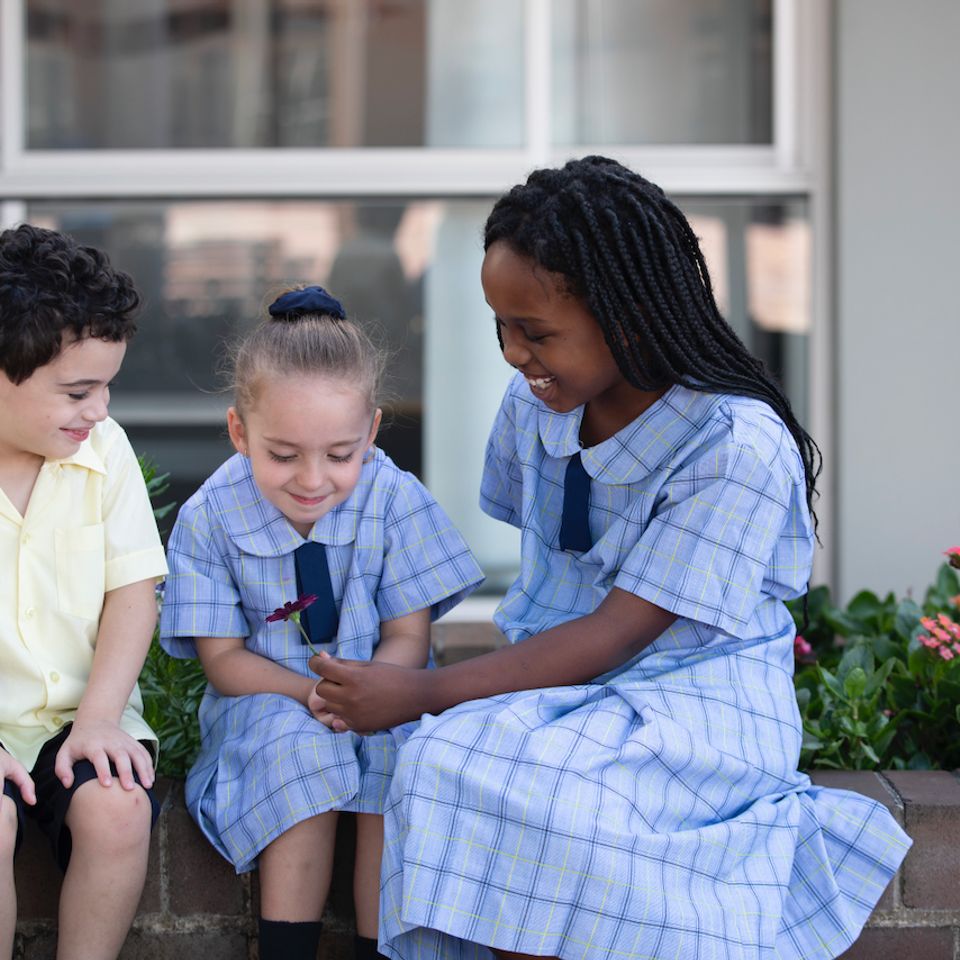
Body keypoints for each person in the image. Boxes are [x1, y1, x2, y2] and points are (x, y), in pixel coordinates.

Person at [312, 157, 913, 960]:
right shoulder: (536, 408)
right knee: (447, 764)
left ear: (627, 315)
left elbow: (618, 632)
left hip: (690, 706)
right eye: (500, 325)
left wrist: (422, 691)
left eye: (536, 331)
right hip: (553, 694)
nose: (511, 352)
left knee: (503, 777)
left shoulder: (733, 444)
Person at [158, 286, 484, 960]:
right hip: (265, 702)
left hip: (386, 691)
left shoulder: (394, 498)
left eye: (340, 454)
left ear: (370, 431)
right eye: (282, 455)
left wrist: (370, 694)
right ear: (239, 432)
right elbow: (224, 662)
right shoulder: (211, 516)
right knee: (296, 748)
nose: (313, 479)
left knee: (399, 752)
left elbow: (408, 639)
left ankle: (378, 947)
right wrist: (309, 695)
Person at [0, 223, 167, 960]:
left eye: (108, 386)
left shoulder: (105, 451)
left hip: (82, 708)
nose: (98, 409)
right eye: (77, 390)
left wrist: (101, 718)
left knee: (118, 809)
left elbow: (133, 592)